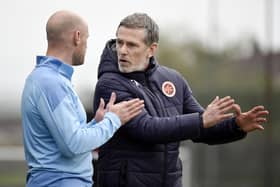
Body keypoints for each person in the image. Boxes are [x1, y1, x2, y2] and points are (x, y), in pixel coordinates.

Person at [92, 13, 269, 187]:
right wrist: (200, 121)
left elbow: (203, 129)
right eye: (119, 42)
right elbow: (147, 129)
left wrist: (236, 125)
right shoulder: (109, 84)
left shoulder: (173, 79)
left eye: (131, 45)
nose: (122, 50)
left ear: (151, 49)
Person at [21, 10, 144, 187]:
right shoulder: (50, 82)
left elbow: (67, 138)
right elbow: (73, 145)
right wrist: (114, 119)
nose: (86, 45)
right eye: (86, 39)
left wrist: (96, 123)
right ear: (77, 37)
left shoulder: (50, 79)